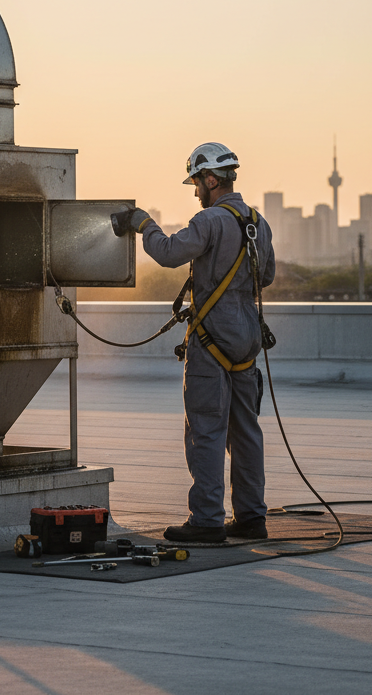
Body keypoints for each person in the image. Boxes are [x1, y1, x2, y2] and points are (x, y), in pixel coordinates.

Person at [114, 142, 275, 543]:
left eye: (197, 184)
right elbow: (266, 276)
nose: (195, 192)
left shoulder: (209, 222)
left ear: (210, 179)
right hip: (245, 341)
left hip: (211, 340)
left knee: (205, 430)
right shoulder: (258, 222)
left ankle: (206, 520)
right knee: (246, 431)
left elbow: (168, 253)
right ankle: (252, 517)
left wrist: (143, 223)